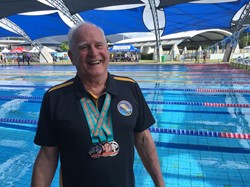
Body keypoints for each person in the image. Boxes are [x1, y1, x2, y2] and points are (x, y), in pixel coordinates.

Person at [31, 22, 165, 187]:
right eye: (84, 47)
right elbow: (47, 156)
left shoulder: (129, 88)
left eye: (99, 45)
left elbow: (143, 140)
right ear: (72, 57)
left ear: (107, 51)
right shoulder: (55, 98)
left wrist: (160, 184)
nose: (94, 53)